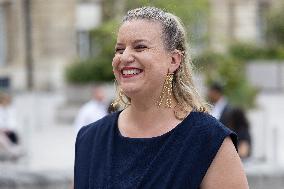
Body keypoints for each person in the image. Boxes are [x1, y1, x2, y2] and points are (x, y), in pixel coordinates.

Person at [74, 7, 248, 189]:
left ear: (173, 60)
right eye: (119, 49)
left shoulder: (209, 141)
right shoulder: (89, 139)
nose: (124, 57)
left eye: (140, 47)